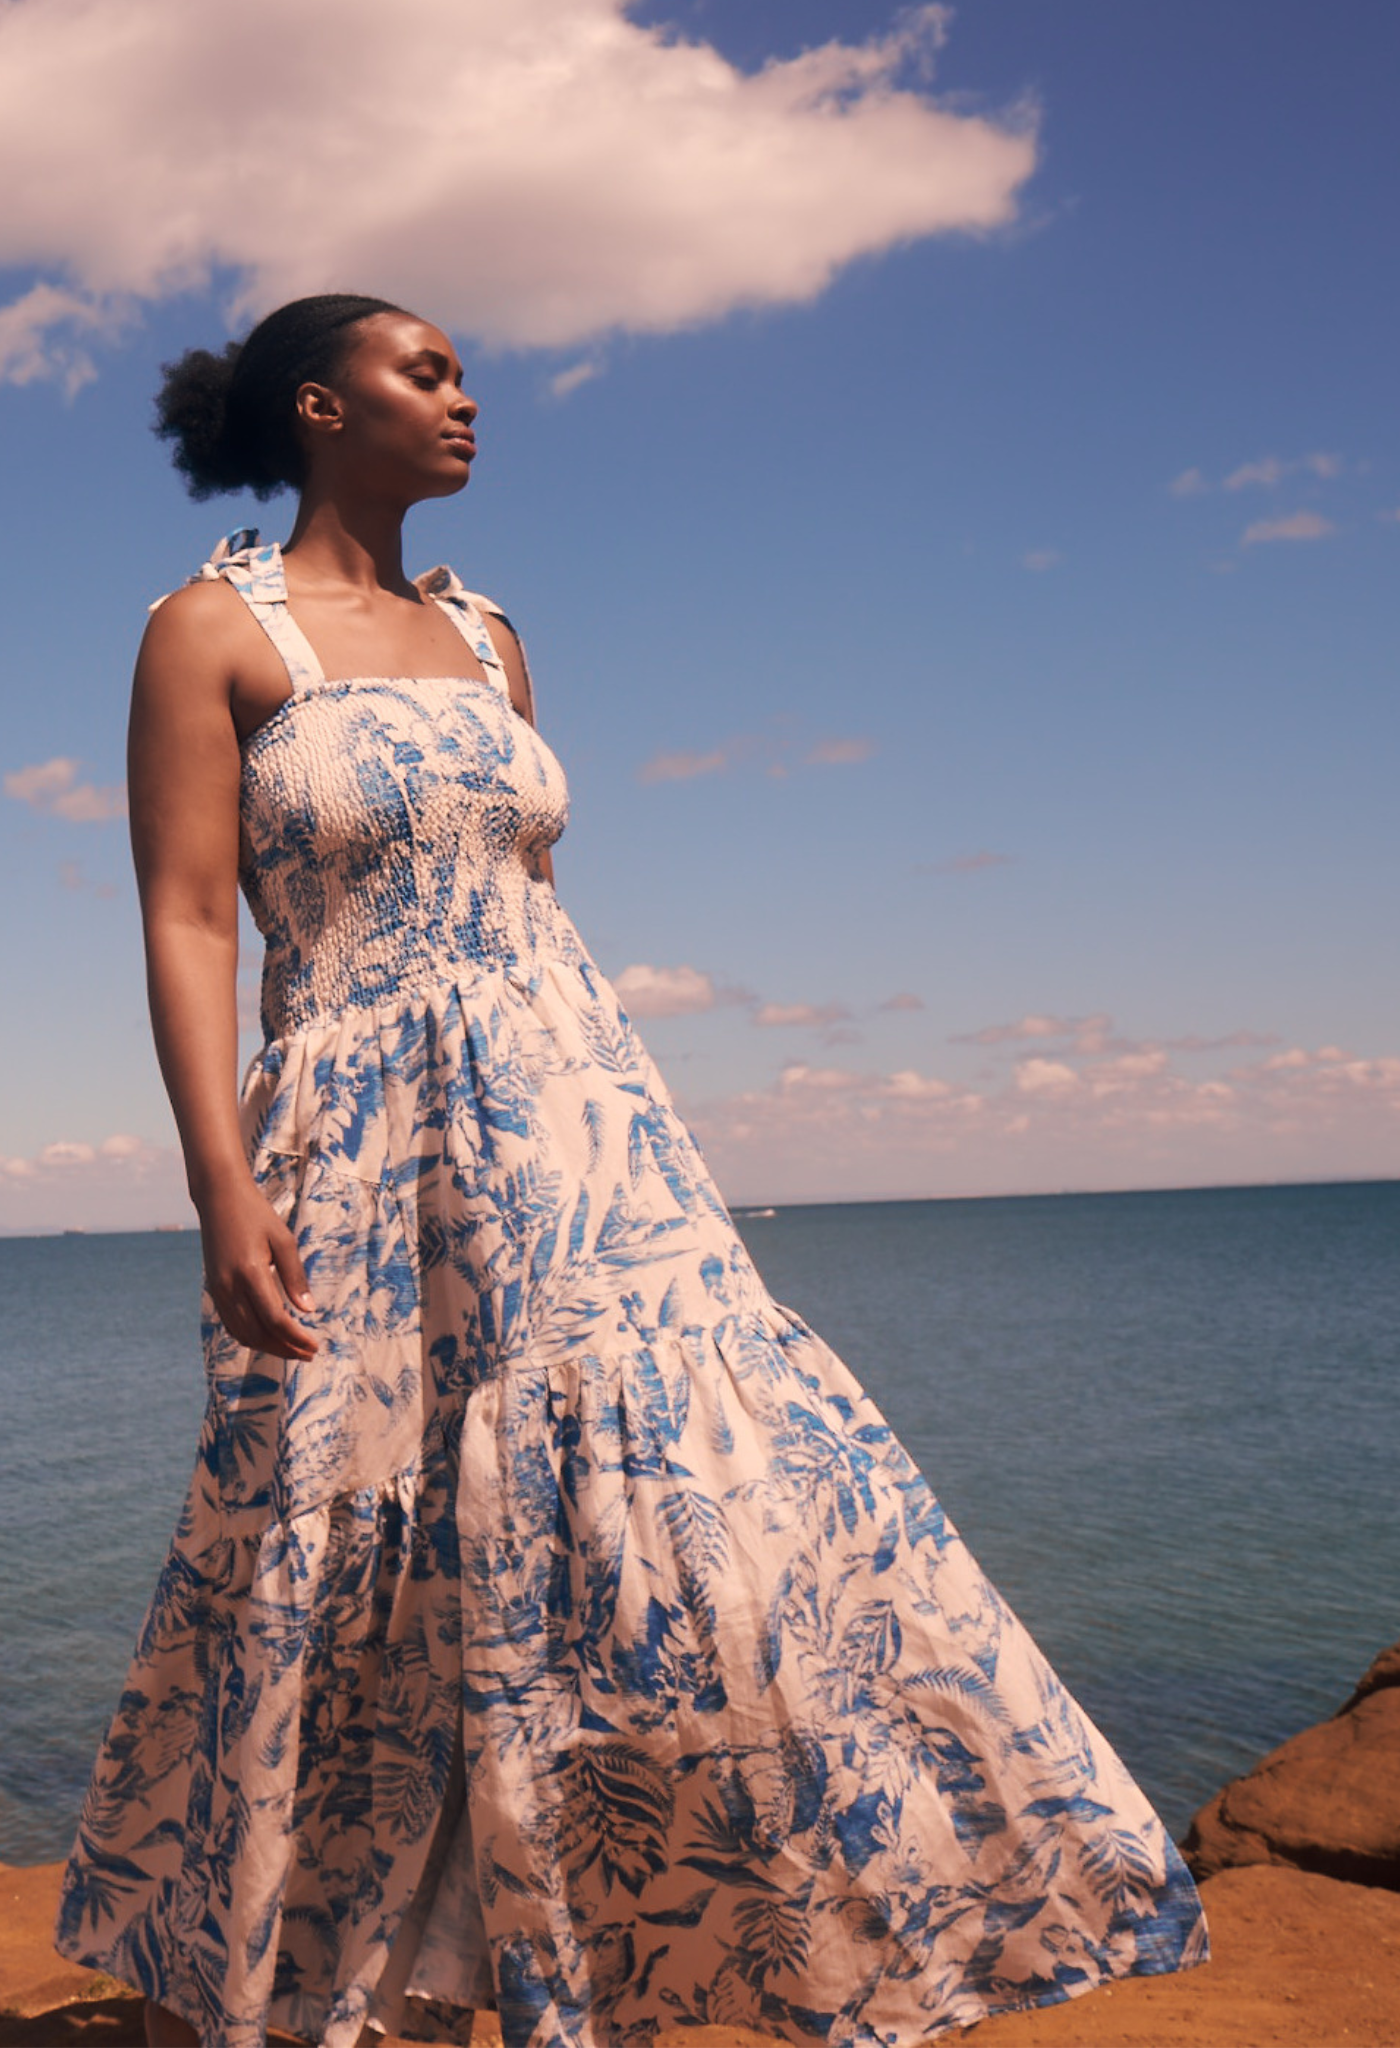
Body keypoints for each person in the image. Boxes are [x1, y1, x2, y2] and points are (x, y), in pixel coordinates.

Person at [55, 293, 1206, 2048]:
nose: (465, 399)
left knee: (706, 1500)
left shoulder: (491, 634)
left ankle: (677, 1931)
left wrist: (594, 1114)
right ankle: (314, 1972)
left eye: (459, 372)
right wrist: (222, 1181)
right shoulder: (213, 630)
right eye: (423, 372)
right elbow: (191, 914)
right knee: (344, 1522)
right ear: (317, 404)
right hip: (356, 1131)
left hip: (576, 1111)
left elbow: (537, 898)